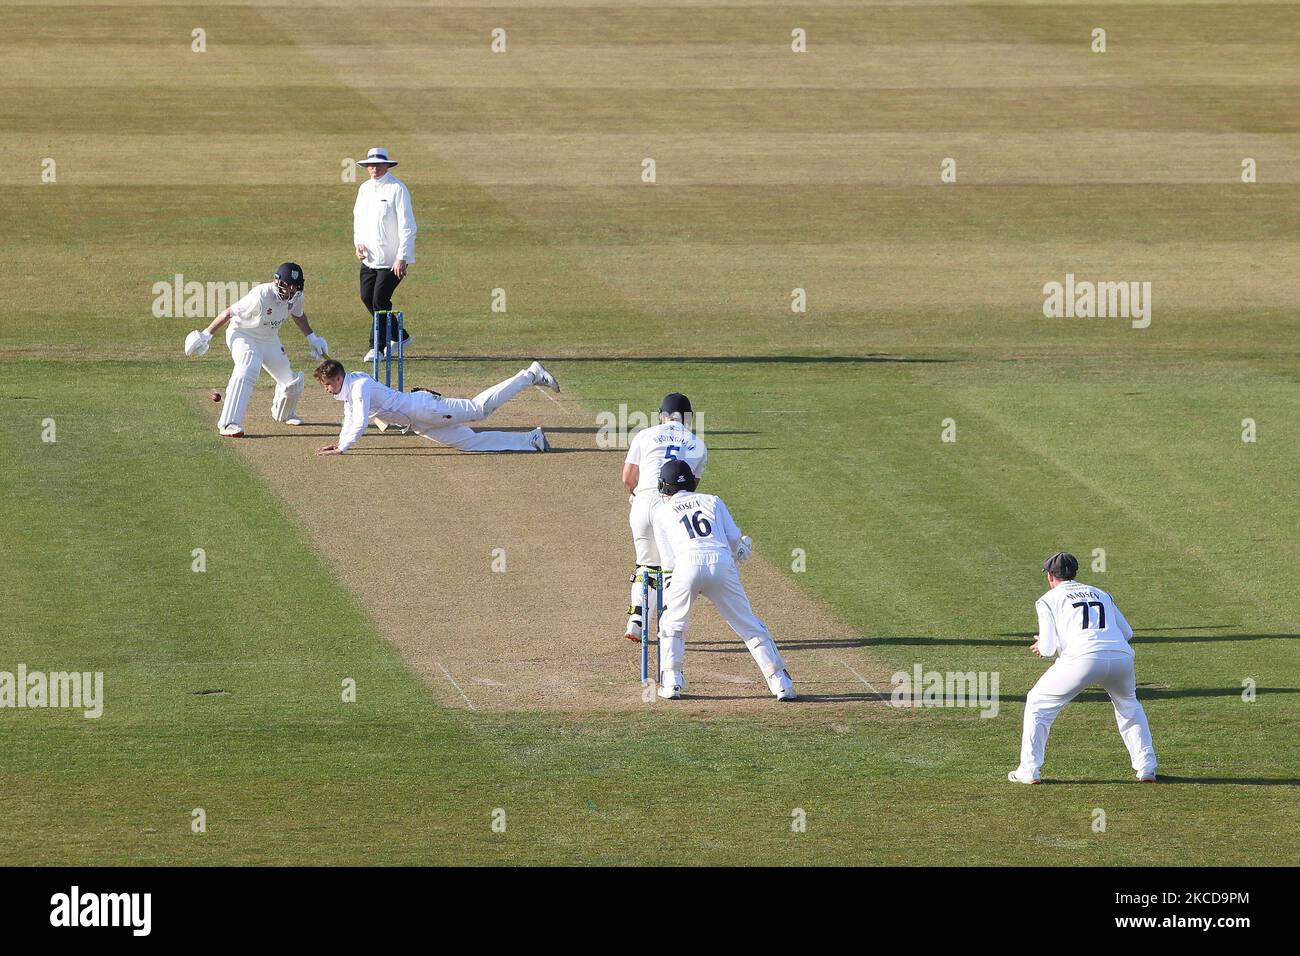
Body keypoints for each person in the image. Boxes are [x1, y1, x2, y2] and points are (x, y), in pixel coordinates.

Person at [650, 459, 795, 702]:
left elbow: (668, 562)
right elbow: (737, 543)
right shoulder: (713, 500)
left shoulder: (661, 512)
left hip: (686, 565)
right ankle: (781, 683)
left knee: (672, 624)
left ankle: (672, 682)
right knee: (749, 625)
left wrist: (670, 590)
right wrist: (742, 549)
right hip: (721, 562)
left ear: (664, 487)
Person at [1008, 552, 1158, 784]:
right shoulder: (1101, 592)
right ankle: (1147, 767)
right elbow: (1127, 633)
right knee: (1129, 705)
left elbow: (1047, 649)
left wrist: (1045, 643)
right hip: (1121, 657)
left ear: (1050, 576)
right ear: (1075, 572)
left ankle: (1028, 770)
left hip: (1082, 659)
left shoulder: (1048, 599)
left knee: (1037, 704)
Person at [184, 262, 328, 437]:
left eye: (294, 287)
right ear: (277, 282)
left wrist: (312, 337)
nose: (289, 291)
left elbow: (298, 314)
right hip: (243, 334)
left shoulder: (297, 297)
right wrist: (206, 334)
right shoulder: (261, 295)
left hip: (269, 338)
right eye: (286, 285)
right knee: (248, 364)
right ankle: (228, 424)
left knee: (292, 383)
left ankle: (283, 414)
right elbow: (229, 313)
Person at [313, 358, 558, 455]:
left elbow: (360, 421)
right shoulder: (348, 388)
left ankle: (529, 375)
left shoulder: (359, 386)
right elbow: (350, 416)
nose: (325, 389)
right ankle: (531, 441)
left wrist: (344, 447)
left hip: (424, 408)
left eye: (326, 384)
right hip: (418, 423)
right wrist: (339, 442)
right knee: (470, 443)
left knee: (478, 410)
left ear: (337, 378)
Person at [621, 393, 707, 642]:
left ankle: (636, 620)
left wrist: (637, 495)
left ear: (662, 415)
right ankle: (668, 626)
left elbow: (627, 478)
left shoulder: (644, 435)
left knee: (645, 565)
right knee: (670, 568)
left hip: (641, 503)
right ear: (688, 419)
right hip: (670, 507)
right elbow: (689, 490)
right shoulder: (698, 444)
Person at [353, 147, 416, 359]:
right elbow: (359, 220)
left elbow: (408, 226)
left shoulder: (397, 189)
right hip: (370, 257)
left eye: (378, 165)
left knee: (380, 299)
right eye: (370, 165)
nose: (374, 169)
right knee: (367, 297)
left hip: (392, 260)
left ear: (387, 165)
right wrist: (358, 243)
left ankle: (377, 348)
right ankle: (401, 335)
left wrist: (402, 257)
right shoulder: (364, 189)